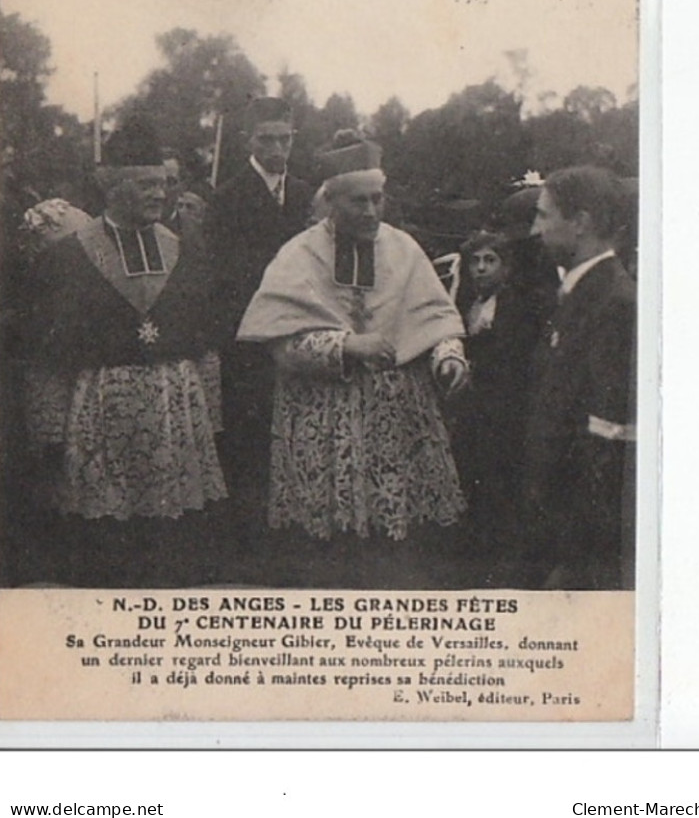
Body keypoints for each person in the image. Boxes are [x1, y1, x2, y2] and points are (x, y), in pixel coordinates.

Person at [20, 115, 227, 586]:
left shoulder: (186, 250)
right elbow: (46, 363)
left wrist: (211, 422)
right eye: (144, 185)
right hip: (97, 410)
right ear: (112, 187)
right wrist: (50, 439)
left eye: (162, 184)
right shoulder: (66, 258)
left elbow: (206, 346)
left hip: (177, 411)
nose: (159, 194)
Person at [237, 138, 469, 542]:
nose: (370, 211)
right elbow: (280, 342)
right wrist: (344, 345)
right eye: (357, 201)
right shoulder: (298, 255)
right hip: (323, 415)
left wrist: (449, 357)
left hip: (397, 417)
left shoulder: (404, 248)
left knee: (399, 539)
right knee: (327, 544)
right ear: (331, 202)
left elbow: (435, 319)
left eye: (376, 200)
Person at [525, 165, 636, 589]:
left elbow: (610, 443)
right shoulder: (582, 295)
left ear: (581, 222)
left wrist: (574, 560)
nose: (535, 230)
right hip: (557, 534)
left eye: (544, 215)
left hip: (581, 551)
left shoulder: (615, 305)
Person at [206, 97, 312, 502]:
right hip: (250, 332)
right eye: (266, 140)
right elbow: (223, 275)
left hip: (300, 327)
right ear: (247, 140)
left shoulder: (305, 194)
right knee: (251, 430)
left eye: (285, 140)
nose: (276, 150)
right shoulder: (227, 198)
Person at [452, 228, 543, 552]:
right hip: (475, 405)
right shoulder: (467, 303)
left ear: (506, 268)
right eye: (475, 261)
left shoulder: (514, 305)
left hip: (504, 405)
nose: (480, 268)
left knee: (501, 474)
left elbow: (514, 356)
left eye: (490, 260)